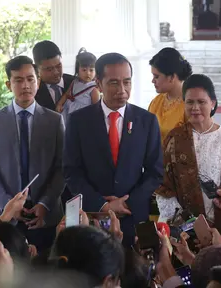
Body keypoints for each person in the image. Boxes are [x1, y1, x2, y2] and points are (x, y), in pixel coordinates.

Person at [63, 53, 163, 246]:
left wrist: (127, 203)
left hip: (134, 217)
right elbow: (71, 171)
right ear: (98, 84)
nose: (122, 90)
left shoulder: (147, 121)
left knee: (135, 273)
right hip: (91, 217)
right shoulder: (78, 121)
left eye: (127, 82)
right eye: (114, 83)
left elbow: (155, 172)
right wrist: (103, 205)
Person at [0, 56, 65, 252]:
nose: (25, 85)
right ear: (8, 84)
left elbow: (61, 167)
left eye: (30, 79)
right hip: (5, 218)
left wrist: (45, 203)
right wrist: (8, 206)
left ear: (38, 81)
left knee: (45, 272)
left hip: (45, 215)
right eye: (18, 80)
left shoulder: (54, 120)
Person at [155, 74, 221, 232]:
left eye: (201, 102)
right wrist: (185, 223)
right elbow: (163, 186)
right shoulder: (174, 138)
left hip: (216, 225)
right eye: (190, 102)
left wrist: (207, 229)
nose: (195, 108)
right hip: (179, 227)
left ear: (212, 103)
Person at [148, 47, 192, 143]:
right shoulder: (156, 102)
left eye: (156, 76)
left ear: (172, 77)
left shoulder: (190, 104)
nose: (152, 81)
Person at [56, 48, 100, 122]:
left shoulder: (94, 89)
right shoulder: (74, 82)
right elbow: (66, 94)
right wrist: (59, 104)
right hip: (68, 112)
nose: (88, 73)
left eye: (91, 70)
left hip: (83, 117)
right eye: (84, 70)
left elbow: (96, 109)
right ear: (77, 70)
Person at [33, 40, 74, 111]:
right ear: (37, 68)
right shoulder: (33, 91)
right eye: (49, 69)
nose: (56, 72)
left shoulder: (76, 82)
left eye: (59, 66)